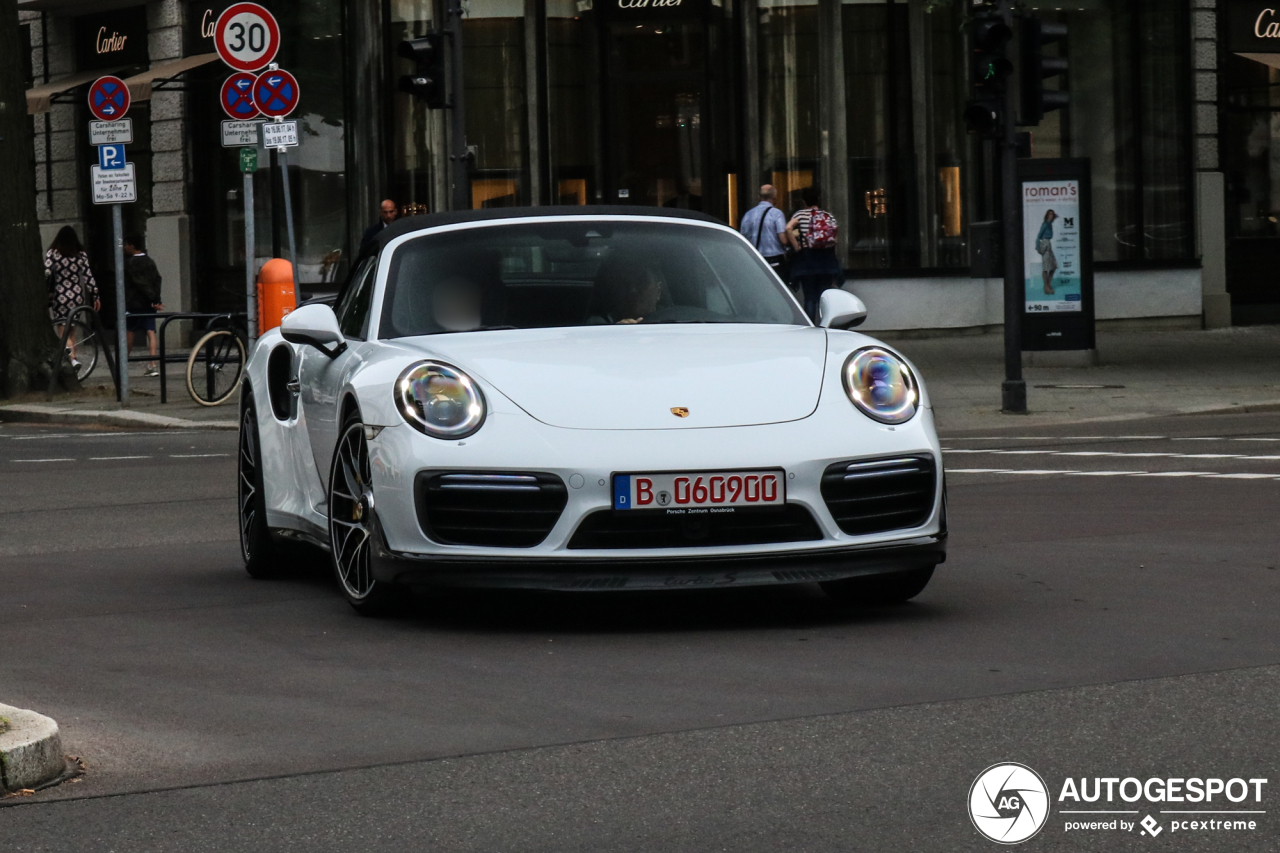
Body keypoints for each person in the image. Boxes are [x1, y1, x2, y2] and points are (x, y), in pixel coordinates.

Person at [44, 226, 99, 370]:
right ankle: (73, 355)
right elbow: (88, 276)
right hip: (76, 294)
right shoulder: (80, 254)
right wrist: (95, 295)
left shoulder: (53, 253)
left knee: (62, 330)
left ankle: (72, 359)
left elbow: (47, 272)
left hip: (60, 294)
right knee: (72, 328)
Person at [786, 186, 843, 321]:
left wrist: (797, 246)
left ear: (804, 201)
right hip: (826, 261)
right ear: (818, 199)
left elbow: (788, 228)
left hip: (807, 260)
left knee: (810, 297)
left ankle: (811, 327)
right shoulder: (828, 216)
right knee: (824, 297)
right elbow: (835, 240)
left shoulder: (800, 215)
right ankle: (825, 325)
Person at [123, 233, 164, 377]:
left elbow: (139, 283)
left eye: (126, 244)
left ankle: (124, 362)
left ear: (132, 245)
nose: (124, 247)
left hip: (134, 302)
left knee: (129, 331)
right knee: (151, 331)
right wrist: (156, 299)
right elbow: (157, 279)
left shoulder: (130, 263)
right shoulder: (149, 261)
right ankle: (153, 364)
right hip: (148, 302)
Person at [738, 184, 790, 286]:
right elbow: (783, 240)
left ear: (759, 197)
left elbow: (743, 238)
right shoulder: (777, 214)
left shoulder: (748, 214)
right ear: (774, 197)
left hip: (756, 259)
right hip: (775, 261)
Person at [589, 259, 664, 325]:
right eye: (625, 283)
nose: (633, 289)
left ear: (658, 291)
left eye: (641, 282)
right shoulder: (597, 326)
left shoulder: (671, 320)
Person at [1036, 209, 1058, 295]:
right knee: (1046, 268)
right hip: (1045, 244)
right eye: (1049, 214)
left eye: (1052, 214)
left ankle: (1048, 284)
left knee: (1053, 266)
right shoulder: (1045, 224)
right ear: (1047, 215)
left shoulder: (1050, 224)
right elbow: (1039, 236)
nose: (1051, 215)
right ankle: (1046, 287)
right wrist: (1039, 248)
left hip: (1049, 244)